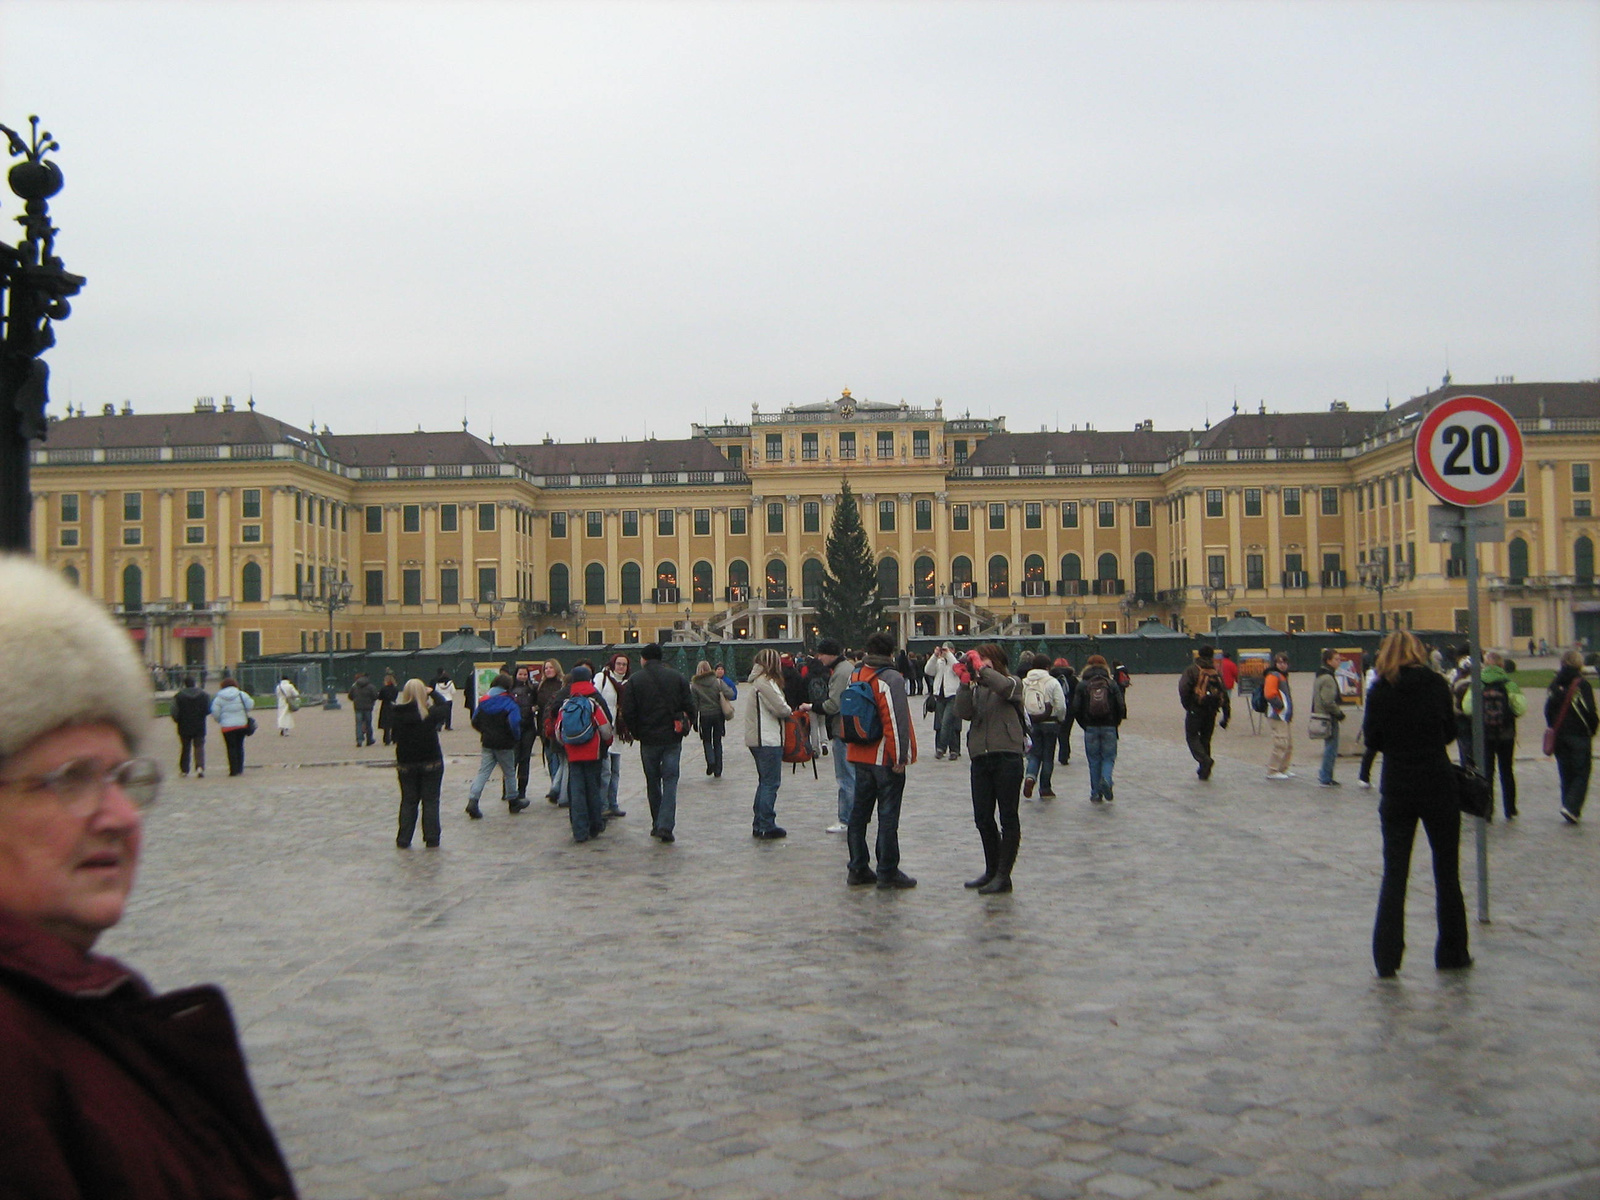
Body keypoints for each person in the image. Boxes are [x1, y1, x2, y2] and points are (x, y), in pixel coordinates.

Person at [0, 555, 299, 1195]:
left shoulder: (86, 1003)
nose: (118, 817)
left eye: (121, 777)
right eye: (71, 780)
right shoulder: (19, 1054)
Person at [1362, 630, 1471, 979]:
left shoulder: (1380, 689)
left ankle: (1387, 956)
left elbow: (1373, 738)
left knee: (1394, 873)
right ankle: (1452, 951)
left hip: (1397, 784)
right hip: (1436, 780)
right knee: (1446, 871)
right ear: (1419, 652)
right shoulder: (1436, 684)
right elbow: (1450, 732)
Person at [845, 631, 917, 888]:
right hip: (883, 755)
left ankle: (857, 868)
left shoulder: (856, 674)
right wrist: (900, 756)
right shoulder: (890, 677)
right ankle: (887, 870)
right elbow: (895, 720)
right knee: (887, 816)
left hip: (858, 751)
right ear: (890, 652)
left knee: (859, 813)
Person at [955, 643, 1026, 893]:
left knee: (1008, 817)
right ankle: (992, 870)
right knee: (983, 817)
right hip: (981, 757)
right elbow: (962, 712)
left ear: (995, 661)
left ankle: (1004, 875)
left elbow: (1005, 689)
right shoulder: (979, 688)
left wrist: (982, 669)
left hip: (1007, 755)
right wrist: (965, 683)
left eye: (984, 658)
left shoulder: (1013, 681)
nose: (979, 663)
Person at [618, 643, 696, 844]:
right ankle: (666, 825)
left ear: (643, 659)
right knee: (670, 781)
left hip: (648, 738)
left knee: (652, 782)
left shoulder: (635, 680)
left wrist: (637, 732)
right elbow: (690, 705)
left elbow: (627, 711)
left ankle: (656, 823)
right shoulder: (677, 677)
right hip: (672, 737)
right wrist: (686, 726)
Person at [1461, 650, 1528, 819]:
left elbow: (1467, 708)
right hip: (1506, 734)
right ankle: (1510, 808)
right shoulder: (1509, 684)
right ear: (1501, 665)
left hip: (1485, 734)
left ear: (1485, 664)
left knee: (1486, 771)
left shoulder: (1478, 683)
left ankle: (1487, 808)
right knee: (1507, 771)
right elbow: (1520, 708)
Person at [744, 649, 800, 839]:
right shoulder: (765, 683)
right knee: (771, 783)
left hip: (761, 738)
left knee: (764, 782)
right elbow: (781, 708)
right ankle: (766, 823)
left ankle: (759, 822)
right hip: (766, 739)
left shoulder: (760, 681)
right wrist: (789, 709)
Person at [558, 665, 614, 842]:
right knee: (593, 789)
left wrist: (567, 745)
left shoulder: (567, 701)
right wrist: (606, 743)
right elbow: (606, 728)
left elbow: (559, 730)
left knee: (576, 791)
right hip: (593, 751)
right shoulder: (594, 700)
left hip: (573, 753)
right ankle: (595, 825)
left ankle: (579, 830)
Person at [392, 677, 447, 848]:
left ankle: (404, 838)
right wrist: (434, 693)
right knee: (430, 801)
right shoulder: (429, 713)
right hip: (431, 761)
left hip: (406, 763)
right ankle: (432, 838)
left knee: (408, 801)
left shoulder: (396, 713)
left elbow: (393, 736)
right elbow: (445, 707)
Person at [1545, 648, 1597, 824]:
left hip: (1559, 734)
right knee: (1582, 772)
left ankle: (1568, 805)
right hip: (1579, 734)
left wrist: (1552, 726)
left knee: (1565, 772)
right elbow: (1590, 711)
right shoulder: (1582, 685)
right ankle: (1571, 807)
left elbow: (1548, 710)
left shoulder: (1554, 684)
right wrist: (1593, 728)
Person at [465, 673, 525, 819]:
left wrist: (485, 731)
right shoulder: (510, 702)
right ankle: (513, 801)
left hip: (487, 742)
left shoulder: (484, 701)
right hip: (505, 743)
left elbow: (474, 720)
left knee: (483, 772)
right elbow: (515, 723)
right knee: (509, 772)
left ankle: (473, 800)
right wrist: (515, 737)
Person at [1069, 654, 1125, 803]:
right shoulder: (1111, 684)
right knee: (1108, 758)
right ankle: (1106, 780)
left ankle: (1095, 793)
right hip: (1109, 726)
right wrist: (1115, 723)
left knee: (1093, 760)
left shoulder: (1082, 685)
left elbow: (1075, 708)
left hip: (1091, 728)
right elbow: (1121, 707)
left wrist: (1085, 725)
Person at [813, 638, 855, 833]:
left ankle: (846, 818)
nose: (819, 658)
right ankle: (855, 815)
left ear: (831, 654)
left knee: (845, 776)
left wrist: (813, 706)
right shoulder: (849, 667)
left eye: (821, 654)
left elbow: (833, 705)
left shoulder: (840, 673)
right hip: (852, 727)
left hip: (843, 728)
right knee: (852, 774)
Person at [1178, 646, 1230, 781]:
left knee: (1192, 737)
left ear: (1199, 655)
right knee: (1206, 739)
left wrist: (1189, 706)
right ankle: (1204, 771)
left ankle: (1205, 760)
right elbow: (1224, 693)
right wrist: (1226, 715)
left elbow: (1184, 688)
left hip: (1196, 709)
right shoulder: (1215, 672)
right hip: (1212, 710)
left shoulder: (1192, 670)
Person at [1020, 653, 1067, 799]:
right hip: (1050, 722)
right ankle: (1045, 788)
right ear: (1048, 667)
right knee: (1048, 756)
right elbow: (1060, 705)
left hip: (1032, 722)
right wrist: (1060, 719)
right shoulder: (1052, 682)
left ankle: (1030, 777)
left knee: (1034, 754)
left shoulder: (1024, 682)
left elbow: (1019, 703)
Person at [595, 653, 630, 818]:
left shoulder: (627, 683)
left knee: (615, 770)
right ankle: (602, 806)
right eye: (619, 664)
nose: (621, 667)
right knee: (605, 771)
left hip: (618, 732)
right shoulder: (602, 678)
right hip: (603, 730)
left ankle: (613, 803)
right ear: (613, 663)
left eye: (624, 664)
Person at [690, 658, 734, 779]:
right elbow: (731, 694)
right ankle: (718, 769)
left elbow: (694, 704)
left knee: (707, 740)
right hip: (718, 715)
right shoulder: (718, 682)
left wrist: (694, 720)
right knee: (718, 741)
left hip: (704, 716)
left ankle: (711, 761)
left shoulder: (695, 685)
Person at [534, 660, 568, 805]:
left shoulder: (562, 684)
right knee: (549, 758)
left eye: (550, 667)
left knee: (558, 759)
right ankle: (555, 786)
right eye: (545, 668)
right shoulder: (540, 686)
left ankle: (558, 789)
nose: (548, 670)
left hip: (557, 727)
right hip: (544, 728)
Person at [1311, 648, 1346, 787]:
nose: (1339, 662)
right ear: (1328, 661)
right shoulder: (1328, 678)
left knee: (1329, 746)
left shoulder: (1320, 675)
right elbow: (1328, 701)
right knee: (1331, 747)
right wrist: (1339, 713)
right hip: (1328, 716)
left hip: (1322, 715)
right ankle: (1326, 776)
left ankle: (1326, 775)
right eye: (1336, 659)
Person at [924, 642, 963, 760]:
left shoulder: (957, 661)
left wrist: (949, 655)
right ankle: (951, 749)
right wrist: (935, 656)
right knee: (941, 724)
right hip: (940, 696)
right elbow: (928, 671)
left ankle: (942, 748)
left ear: (953, 650)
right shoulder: (939, 662)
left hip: (953, 695)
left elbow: (957, 669)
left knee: (947, 722)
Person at [209, 676, 255, 776]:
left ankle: (233, 770)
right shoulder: (241, 694)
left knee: (231, 748)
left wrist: (220, 720)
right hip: (241, 724)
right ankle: (240, 768)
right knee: (240, 746)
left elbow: (215, 712)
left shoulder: (219, 698)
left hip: (227, 727)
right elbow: (250, 704)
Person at [1262, 652, 1295, 779]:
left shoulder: (1282, 676)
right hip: (1277, 714)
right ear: (1275, 664)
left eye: (1284, 662)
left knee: (1288, 743)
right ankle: (1273, 770)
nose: (1282, 665)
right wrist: (1280, 706)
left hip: (1283, 715)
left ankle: (1283, 768)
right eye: (1280, 662)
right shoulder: (1273, 676)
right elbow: (1269, 694)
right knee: (1281, 743)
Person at [170, 674, 210, 777]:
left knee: (185, 748)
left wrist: (177, 720)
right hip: (199, 724)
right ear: (195, 683)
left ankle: (184, 770)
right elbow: (207, 710)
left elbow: (174, 711)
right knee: (199, 747)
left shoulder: (179, 696)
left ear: (185, 684)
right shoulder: (203, 695)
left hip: (184, 725)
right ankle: (200, 768)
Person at [509, 665, 539, 802]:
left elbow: (538, 703)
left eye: (525, 674)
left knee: (525, 759)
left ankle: (522, 790)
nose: (523, 677)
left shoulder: (532, 689)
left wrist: (535, 708)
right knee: (513, 759)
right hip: (514, 728)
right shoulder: (510, 690)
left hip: (528, 727)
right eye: (520, 674)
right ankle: (509, 788)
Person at [1050, 657, 1078, 766]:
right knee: (1066, 733)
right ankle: (1064, 754)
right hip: (1069, 710)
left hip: (1054, 709)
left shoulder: (1051, 679)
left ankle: (1051, 755)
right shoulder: (1073, 679)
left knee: (1056, 733)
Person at [348, 672, 379, 748]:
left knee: (358, 724)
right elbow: (375, 696)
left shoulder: (355, 686)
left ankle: (359, 740)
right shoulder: (371, 687)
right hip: (368, 707)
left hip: (358, 707)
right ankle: (369, 740)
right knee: (368, 724)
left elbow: (350, 696)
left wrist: (356, 700)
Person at [376, 671, 400, 746]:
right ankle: (394, 738)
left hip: (385, 705)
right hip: (393, 705)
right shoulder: (395, 689)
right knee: (393, 722)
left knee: (386, 724)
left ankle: (387, 739)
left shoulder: (383, 689)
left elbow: (379, 697)